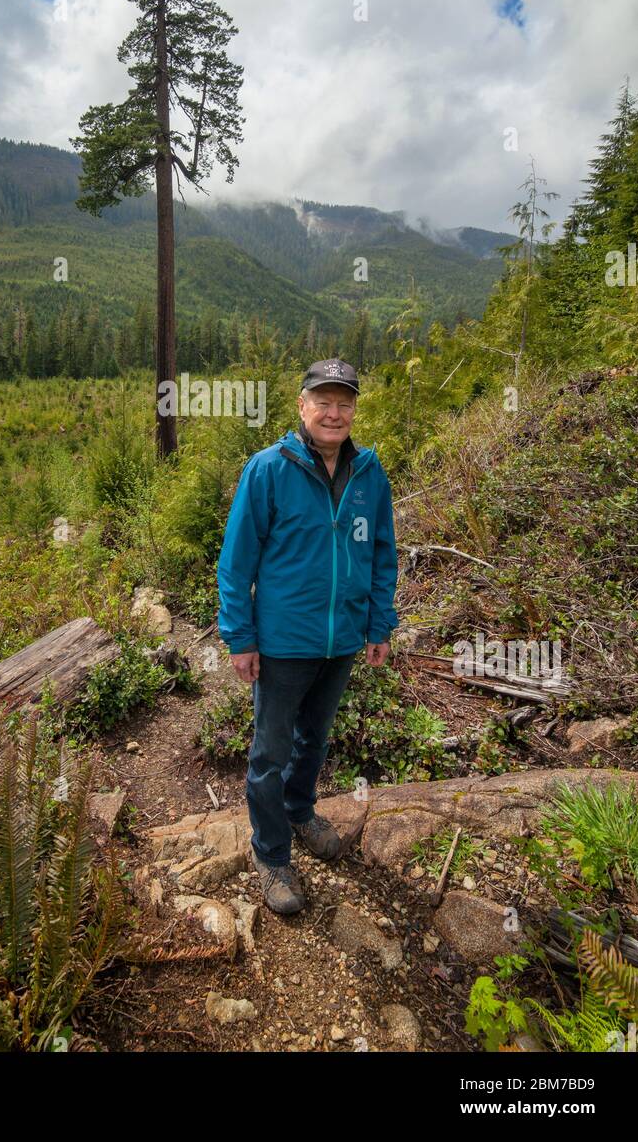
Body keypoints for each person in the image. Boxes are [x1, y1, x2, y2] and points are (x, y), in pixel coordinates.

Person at [216, 358, 399, 914]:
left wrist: (378, 624)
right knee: (269, 751)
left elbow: (382, 556)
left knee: (313, 741)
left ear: (353, 410)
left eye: (344, 402)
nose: (334, 412)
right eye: (324, 401)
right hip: (281, 643)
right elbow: (236, 561)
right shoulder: (268, 470)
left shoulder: (369, 474)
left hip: (342, 640)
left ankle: (300, 811)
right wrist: (240, 637)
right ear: (302, 406)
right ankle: (271, 854)